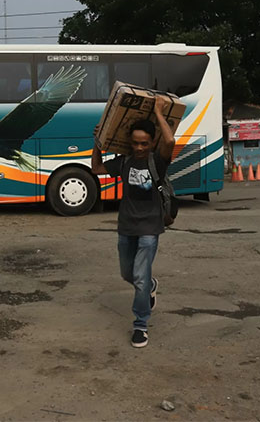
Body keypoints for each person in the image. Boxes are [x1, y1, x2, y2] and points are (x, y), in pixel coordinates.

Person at [90, 97, 175, 348]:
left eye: (144, 143)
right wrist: (97, 143)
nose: (139, 148)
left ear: (151, 143)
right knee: (128, 274)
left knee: (138, 277)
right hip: (126, 225)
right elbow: (95, 168)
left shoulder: (157, 161)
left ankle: (140, 325)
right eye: (136, 143)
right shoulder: (124, 162)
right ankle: (150, 285)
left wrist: (158, 112)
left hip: (150, 226)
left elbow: (169, 141)